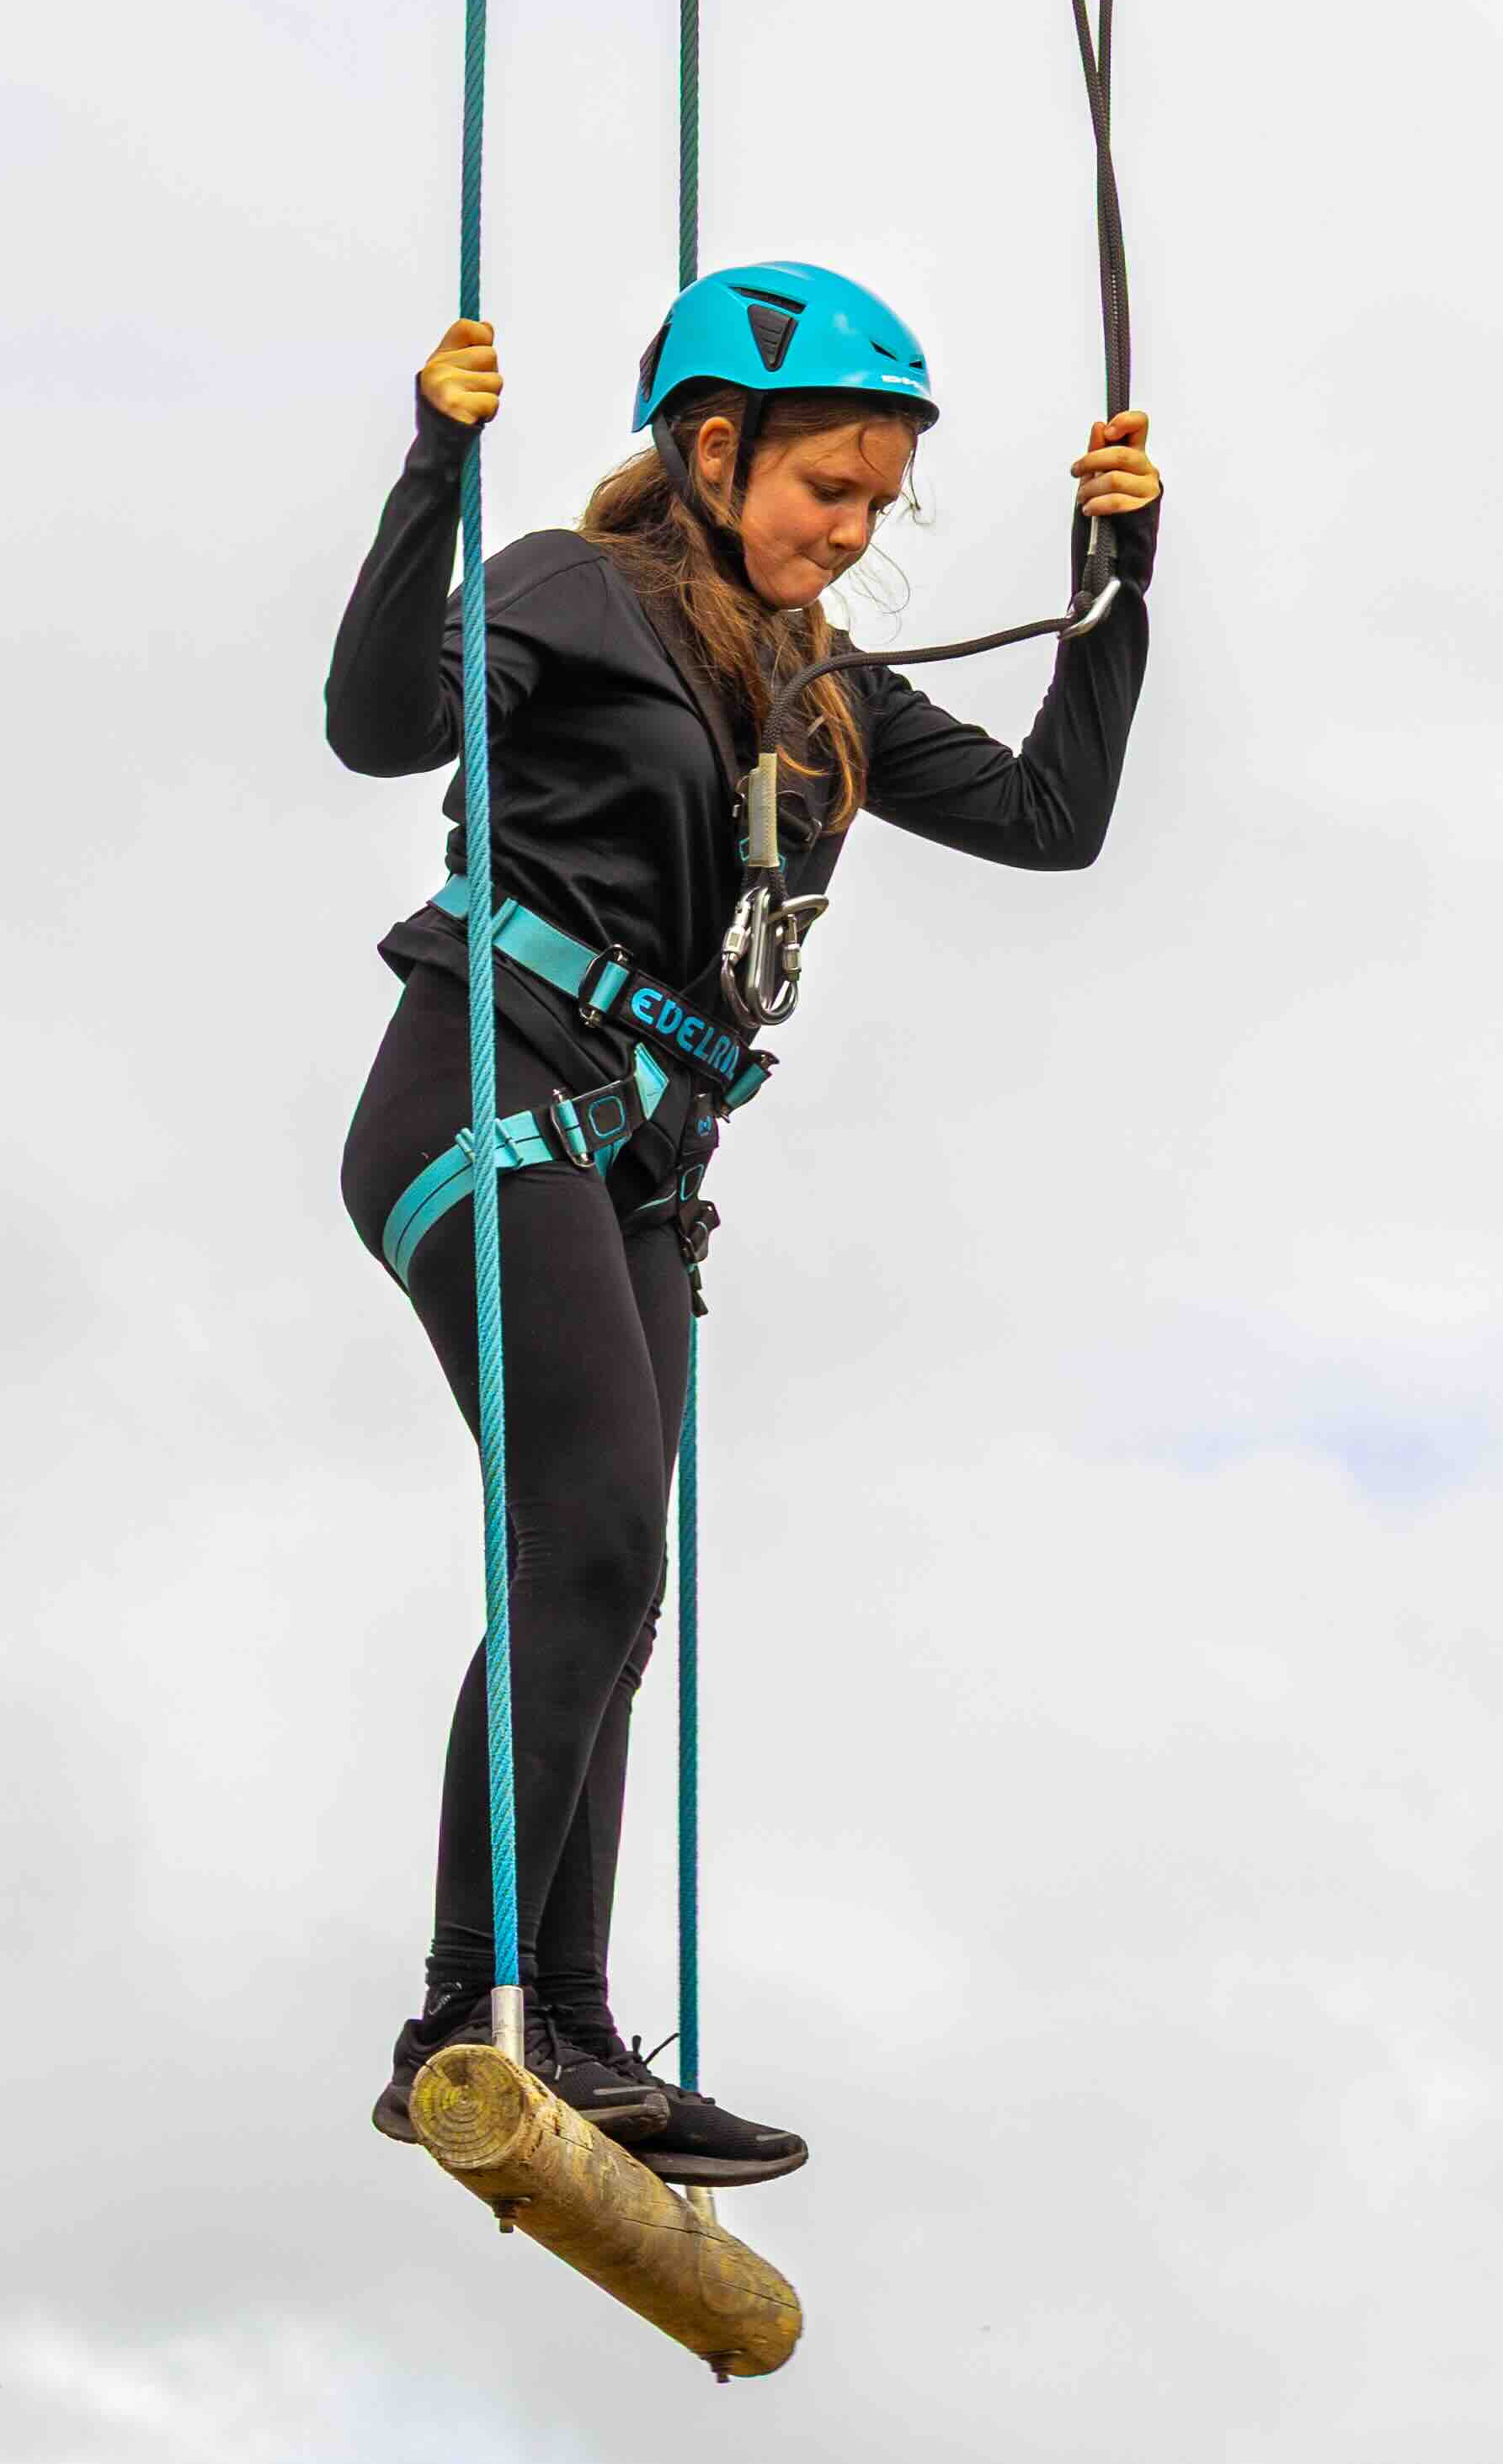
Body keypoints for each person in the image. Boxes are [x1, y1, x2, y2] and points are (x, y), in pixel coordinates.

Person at [321, 259, 1163, 2186]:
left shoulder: (819, 682)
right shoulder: (568, 584)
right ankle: (466, 2012)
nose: (847, 533)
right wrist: (433, 467)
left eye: (875, 506)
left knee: (613, 1590)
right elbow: (377, 722)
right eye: (821, 491)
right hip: (483, 1081)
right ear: (710, 446)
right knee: (591, 1537)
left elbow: (1054, 815)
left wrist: (1117, 575)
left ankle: (575, 2021)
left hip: (630, 1153)